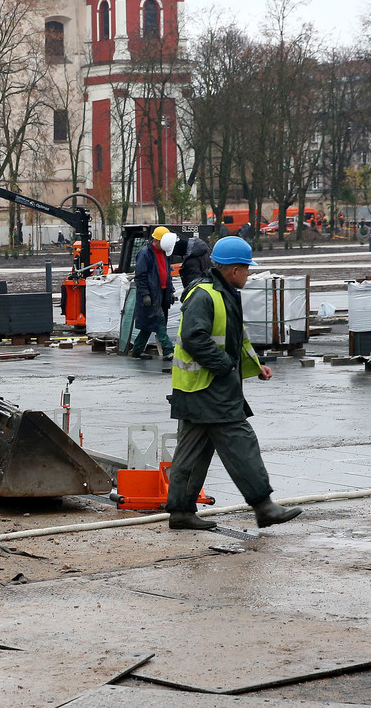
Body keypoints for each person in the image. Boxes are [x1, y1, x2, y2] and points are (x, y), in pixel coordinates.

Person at [165, 235, 301, 531]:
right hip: (209, 388)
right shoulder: (205, 295)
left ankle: (181, 511)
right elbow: (193, 337)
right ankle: (264, 507)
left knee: (193, 450)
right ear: (234, 270)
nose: (249, 274)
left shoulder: (223, 293)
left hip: (198, 388)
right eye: (247, 269)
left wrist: (255, 367)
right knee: (241, 442)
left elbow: (235, 339)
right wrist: (225, 366)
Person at [130, 227, 176, 361]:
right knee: (159, 321)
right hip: (152, 294)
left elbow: (167, 274)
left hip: (161, 293)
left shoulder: (164, 253)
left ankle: (137, 350)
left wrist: (170, 291)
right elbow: (140, 276)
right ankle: (168, 350)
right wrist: (145, 294)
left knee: (149, 325)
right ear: (157, 240)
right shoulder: (145, 254)